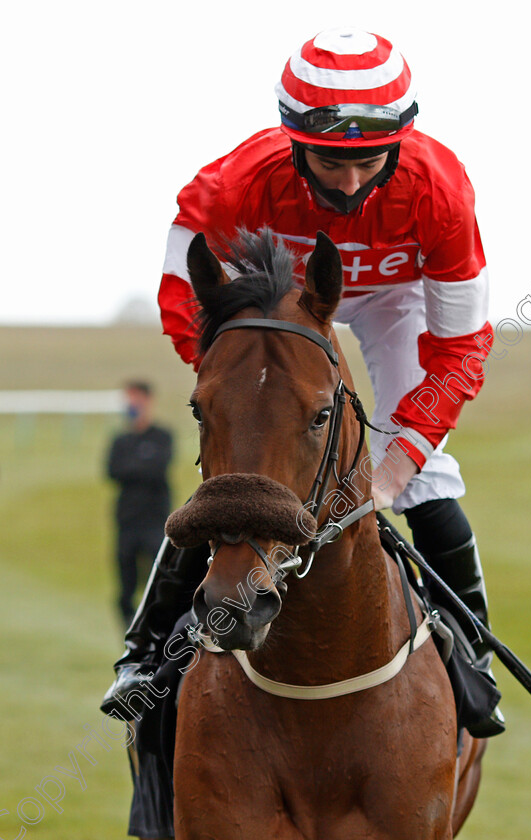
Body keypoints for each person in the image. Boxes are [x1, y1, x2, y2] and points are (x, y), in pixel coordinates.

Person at [102, 27, 504, 737]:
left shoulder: (441, 191)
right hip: (278, 301)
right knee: (239, 465)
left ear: (402, 140)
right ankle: (141, 656)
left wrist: (394, 466)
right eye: (329, 162)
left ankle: (472, 650)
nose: (351, 184)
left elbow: (461, 347)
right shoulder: (229, 187)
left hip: (396, 300)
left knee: (426, 471)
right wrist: (242, 398)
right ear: (293, 141)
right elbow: (182, 302)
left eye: (370, 161)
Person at [106, 381, 173, 628]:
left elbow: (158, 470)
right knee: (126, 583)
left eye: (135, 399)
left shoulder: (162, 436)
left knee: (159, 578)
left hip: (155, 519)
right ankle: (129, 630)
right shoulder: (120, 440)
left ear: (147, 400)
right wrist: (141, 465)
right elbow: (112, 471)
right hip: (127, 520)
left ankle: (158, 626)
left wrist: (132, 468)